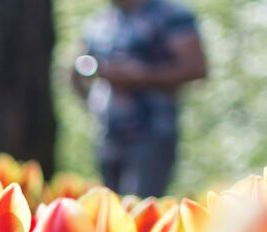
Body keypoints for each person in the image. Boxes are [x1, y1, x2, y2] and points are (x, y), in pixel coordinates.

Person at [73, 0, 207, 197]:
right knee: (109, 207)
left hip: (152, 132)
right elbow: (76, 69)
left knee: (142, 204)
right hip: (108, 135)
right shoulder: (101, 20)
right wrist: (93, 101)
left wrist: (141, 76)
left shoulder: (172, 15)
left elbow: (196, 68)